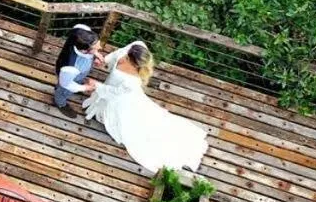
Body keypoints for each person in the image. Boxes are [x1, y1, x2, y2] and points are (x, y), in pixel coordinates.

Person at [84, 40, 208, 174]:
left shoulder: (132, 82)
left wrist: (97, 85)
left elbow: (114, 93)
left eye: (127, 59)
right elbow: (119, 53)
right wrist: (104, 60)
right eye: (127, 55)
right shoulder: (136, 47)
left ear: (135, 64)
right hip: (114, 92)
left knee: (142, 132)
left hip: (118, 100)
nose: (124, 58)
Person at [52, 24, 103, 118]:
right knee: (63, 90)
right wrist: (85, 88)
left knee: (77, 80)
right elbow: (66, 84)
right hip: (66, 77)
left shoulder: (81, 31)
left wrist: (96, 54)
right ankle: (59, 103)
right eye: (96, 47)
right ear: (85, 50)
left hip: (75, 73)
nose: (100, 48)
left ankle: (76, 86)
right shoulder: (70, 68)